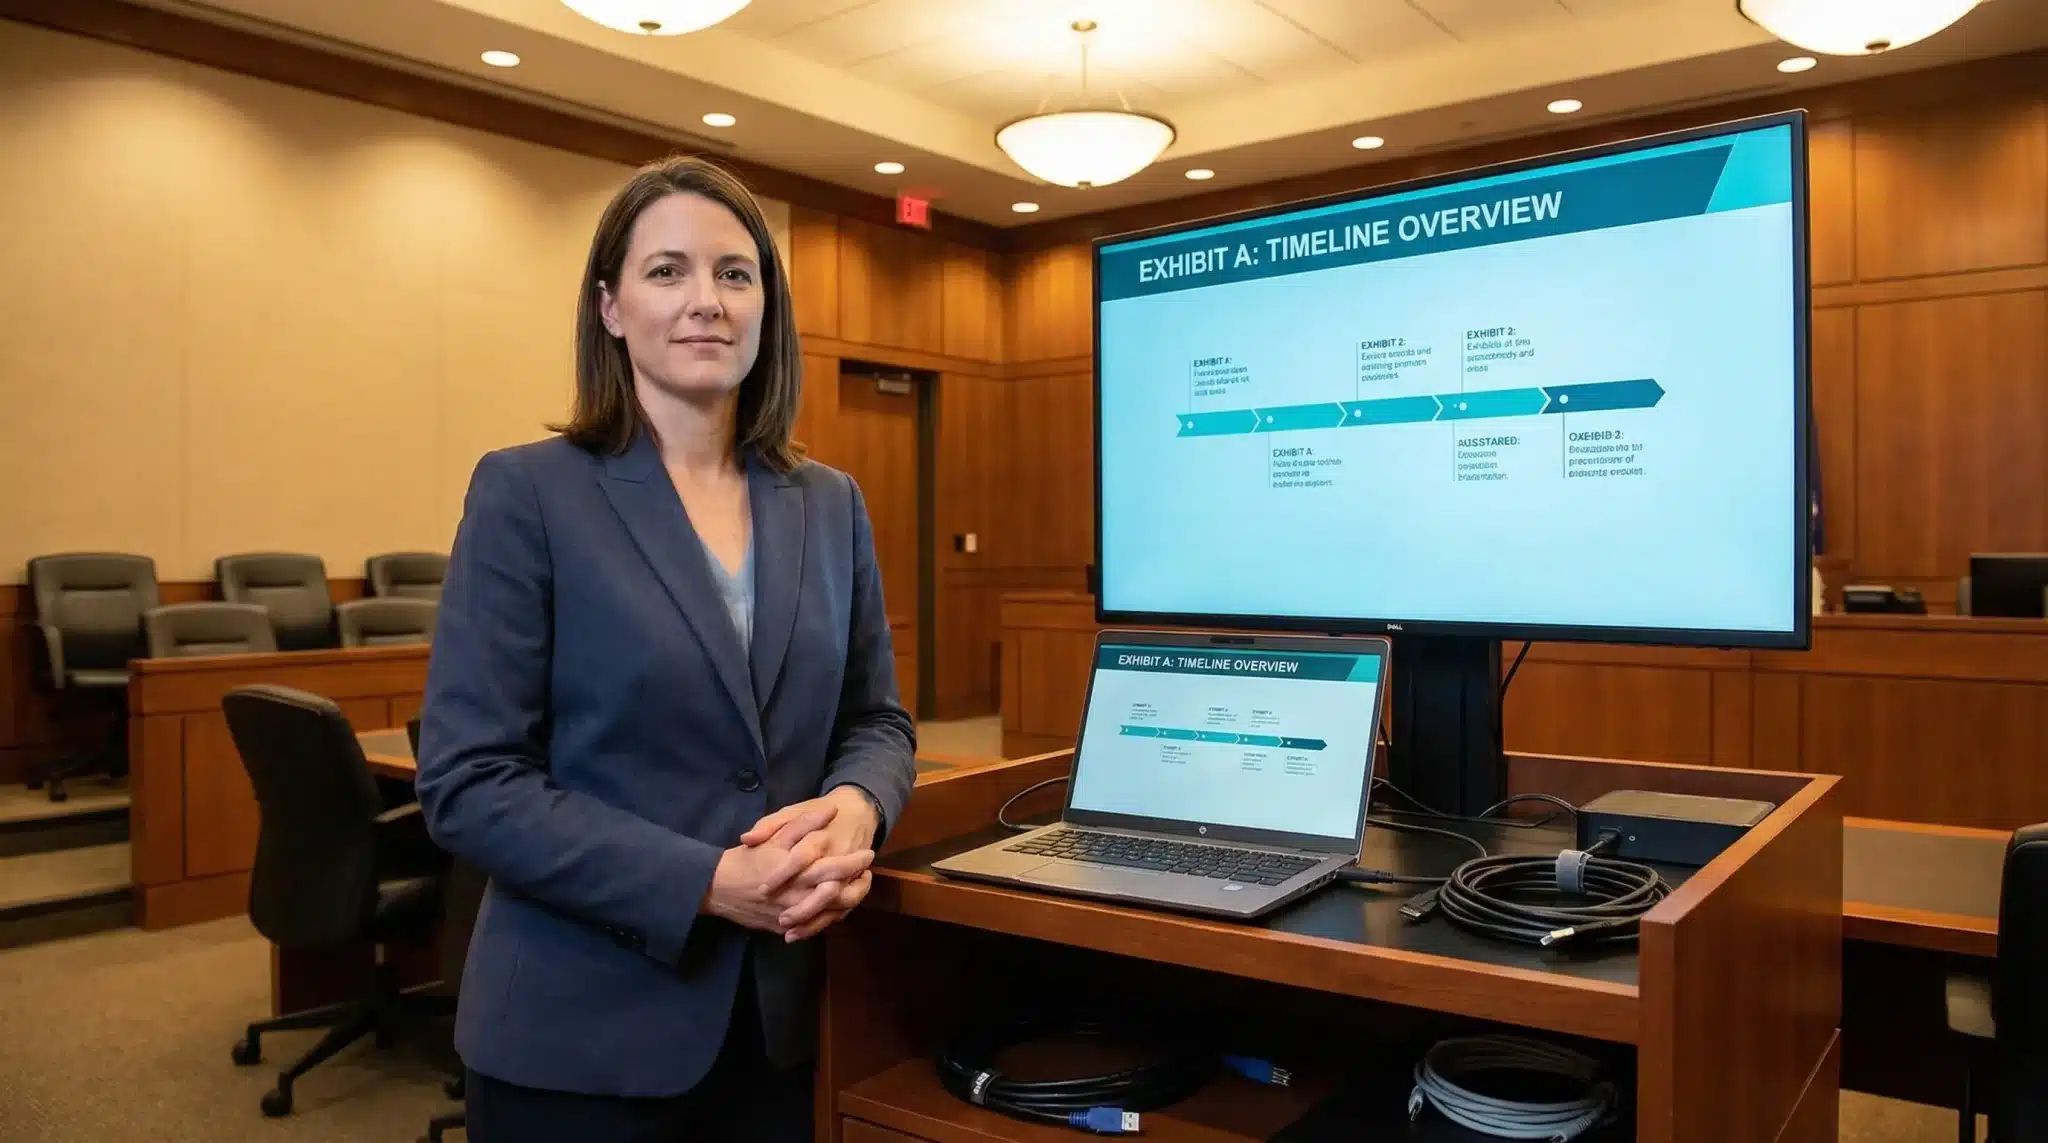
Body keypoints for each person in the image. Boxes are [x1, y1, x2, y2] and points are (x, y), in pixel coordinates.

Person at [413, 155, 917, 1142]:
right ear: (609, 307)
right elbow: (469, 781)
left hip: (782, 1023)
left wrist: (861, 805)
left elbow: (878, 721)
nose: (706, 302)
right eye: (666, 272)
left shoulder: (829, 503)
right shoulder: (530, 493)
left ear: (766, 306)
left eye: (735, 274)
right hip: (580, 1036)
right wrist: (703, 882)